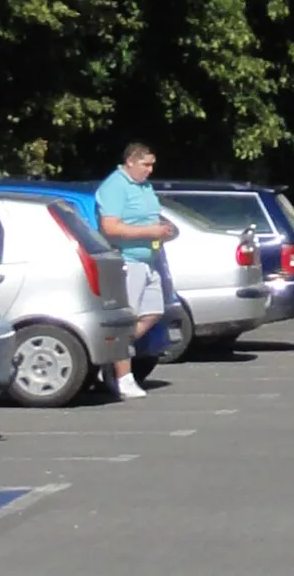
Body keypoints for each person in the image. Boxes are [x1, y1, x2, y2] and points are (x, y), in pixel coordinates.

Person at [95, 139, 181, 400]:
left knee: (154, 310)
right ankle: (123, 377)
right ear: (130, 161)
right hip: (127, 260)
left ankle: (113, 355)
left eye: (152, 165)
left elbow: (151, 217)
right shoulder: (115, 186)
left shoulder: (144, 186)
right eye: (145, 164)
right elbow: (109, 228)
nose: (149, 170)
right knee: (126, 318)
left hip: (150, 258)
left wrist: (164, 230)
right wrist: (149, 231)